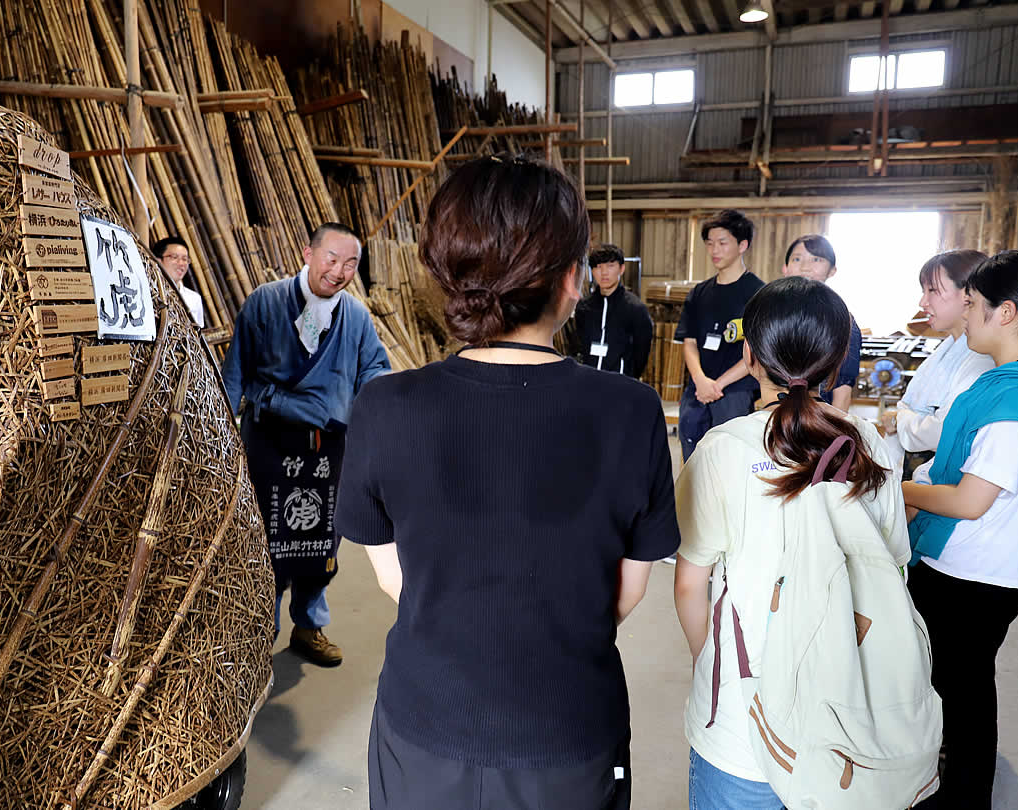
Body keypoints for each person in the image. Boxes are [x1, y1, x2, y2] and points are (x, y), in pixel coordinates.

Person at [336, 154, 680, 810]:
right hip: (571, 729)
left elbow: (391, 577)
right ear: (572, 281)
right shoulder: (631, 412)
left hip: (424, 724)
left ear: (445, 277)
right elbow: (630, 588)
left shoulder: (384, 406)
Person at [674, 276, 909, 810]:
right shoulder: (869, 444)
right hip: (846, 713)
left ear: (750, 354)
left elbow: (690, 583)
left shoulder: (723, 448)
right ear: (839, 359)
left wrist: (706, 660)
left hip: (743, 720)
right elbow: (893, 569)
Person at [903, 250, 1018, 809]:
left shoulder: (1015, 396)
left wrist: (893, 490)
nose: (966, 317)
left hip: (974, 568)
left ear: (1005, 313)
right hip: (991, 564)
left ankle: (962, 794)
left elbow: (972, 500)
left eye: (972, 305)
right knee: (963, 680)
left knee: (963, 686)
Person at [222, 222, 390, 667]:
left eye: (350, 263)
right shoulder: (265, 302)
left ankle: (310, 626)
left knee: (322, 542)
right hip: (270, 445)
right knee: (268, 540)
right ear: (308, 254)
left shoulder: (355, 316)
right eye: (331, 259)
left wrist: (376, 416)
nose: (339, 271)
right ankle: (262, 633)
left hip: (328, 447)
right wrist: (226, 439)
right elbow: (234, 372)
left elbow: (374, 370)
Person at [879, 250, 993, 480]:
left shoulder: (981, 358)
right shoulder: (948, 347)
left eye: (933, 291)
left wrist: (899, 419)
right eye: (924, 291)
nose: (923, 302)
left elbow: (945, 431)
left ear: (969, 294)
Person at [676, 211, 764, 461]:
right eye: (709, 243)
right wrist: (701, 380)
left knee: (729, 460)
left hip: (735, 392)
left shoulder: (758, 294)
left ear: (742, 245)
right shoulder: (699, 292)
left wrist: (719, 384)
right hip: (697, 389)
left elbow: (757, 349)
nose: (714, 249)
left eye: (723, 242)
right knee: (692, 458)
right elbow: (689, 341)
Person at [781, 234, 859, 411]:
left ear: (832, 270)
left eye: (816, 259)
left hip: (820, 418)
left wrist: (837, 431)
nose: (805, 267)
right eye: (797, 259)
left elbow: (843, 389)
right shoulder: (773, 315)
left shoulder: (842, 320)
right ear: (785, 268)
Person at [573, 244, 654, 378]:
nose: (604, 272)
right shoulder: (584, 307)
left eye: (610, 266)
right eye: (598, 267)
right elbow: (580, 344)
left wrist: (629, 376)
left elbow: (642, 351)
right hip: (589, 382)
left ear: (621, 269)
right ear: (592, 271)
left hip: (620, 384)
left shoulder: (635, 309)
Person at [153, 235, 205, 327]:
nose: (181, 263)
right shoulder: (149, 293)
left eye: (185, 259)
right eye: (174, 257)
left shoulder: (194, 299)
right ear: (158, 260)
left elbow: (198, 334)